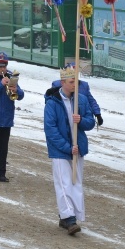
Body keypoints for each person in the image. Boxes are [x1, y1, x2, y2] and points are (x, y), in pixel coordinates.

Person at [43, 65, 95, 236]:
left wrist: (81, 120)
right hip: (60, 150)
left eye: (76, 81)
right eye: (72, 82)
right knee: (64, 183)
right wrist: (66, 147)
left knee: (76, 183)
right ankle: (69, 218)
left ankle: (67, 215)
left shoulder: (81, 99)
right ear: (63, 82)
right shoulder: (52, 103)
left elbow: (90, 122)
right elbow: (50, 129)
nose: (75, 85)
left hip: (77, 148)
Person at [0, 52, 24, 182]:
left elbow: (21, 95)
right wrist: (0, 84)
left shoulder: (11, 75)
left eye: (4, 66)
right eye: (0, 66)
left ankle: (0, 173)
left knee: (3, 148)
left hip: (6, 119)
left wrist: (15, 90)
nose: (3, 69)